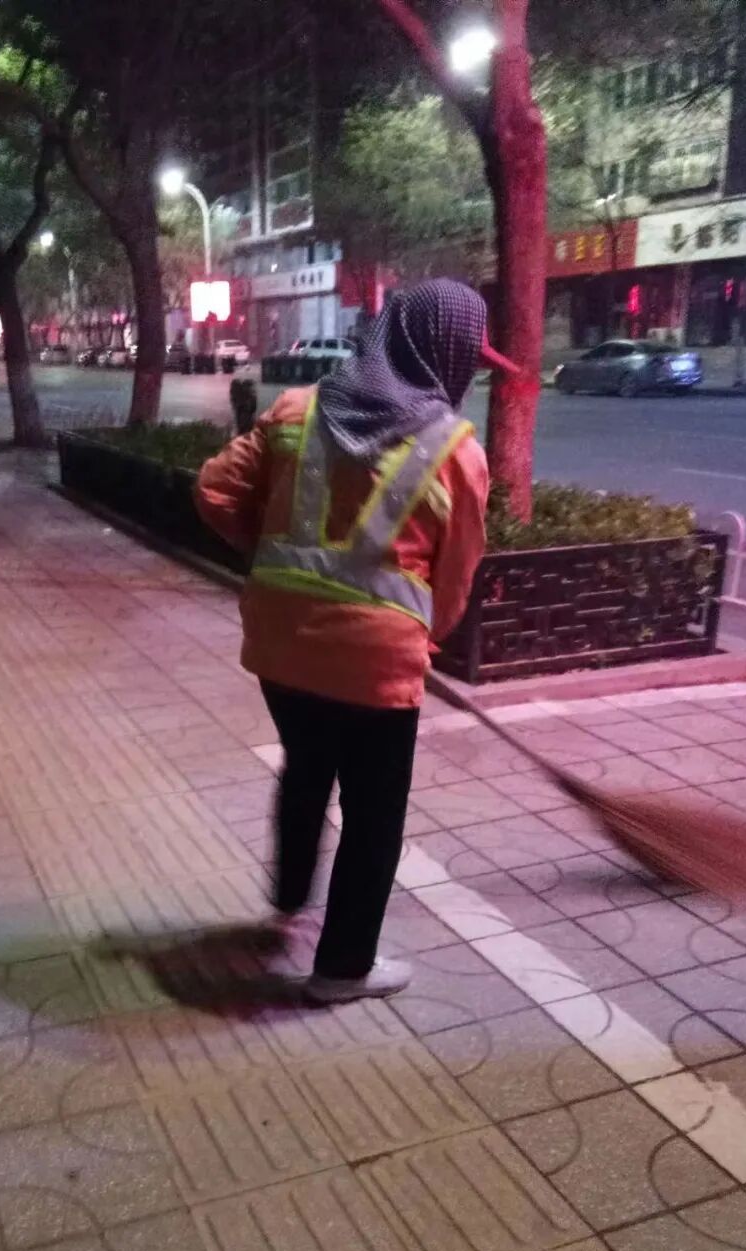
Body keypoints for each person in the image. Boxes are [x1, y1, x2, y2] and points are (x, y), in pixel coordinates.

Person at [195, 278, 518, 1003]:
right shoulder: (454, 450)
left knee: (307, 767)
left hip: (280, 646)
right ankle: (342, 970)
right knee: (374, 812)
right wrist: (421, 639)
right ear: (440, 352)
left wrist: (273, 560)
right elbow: (456, 577)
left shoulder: (297, 410)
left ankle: (289, 906)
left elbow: (214, 490)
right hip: (376, 663)